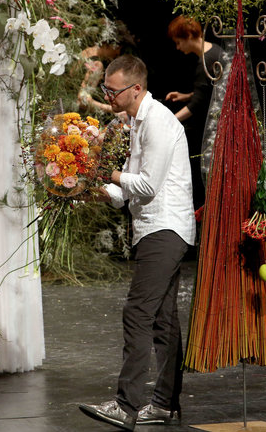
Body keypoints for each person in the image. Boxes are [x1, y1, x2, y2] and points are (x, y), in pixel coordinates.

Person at [78, 54, 195, 431]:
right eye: (106, 90)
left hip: (166, 228)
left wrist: (104, 170)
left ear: (137, 89)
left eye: (113, 92)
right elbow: (128, 188)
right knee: (162, 320)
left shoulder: (158, 122)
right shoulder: (135, 122)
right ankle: (164, 403)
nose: (109, 97)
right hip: (152, 227)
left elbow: (146, 184)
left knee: (138, 313)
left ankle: (126, 405)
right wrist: (98, 190)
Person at [165, 15, 224, 210]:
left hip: (213, 128)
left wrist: (170, 120)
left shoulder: (205, 61)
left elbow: (198, 104)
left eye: (178, 41)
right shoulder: (215, 51)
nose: (178, 47)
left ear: (189, 35)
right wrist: (185, 95)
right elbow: (209, 91)